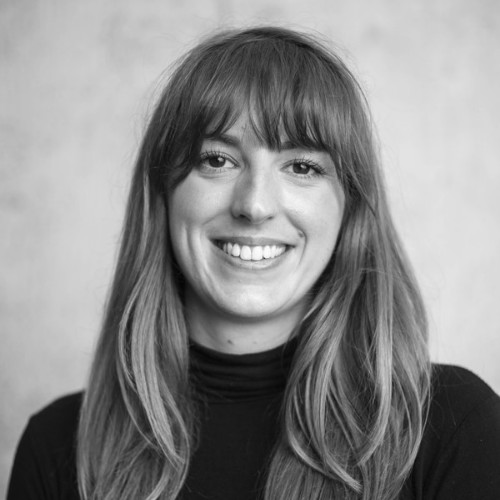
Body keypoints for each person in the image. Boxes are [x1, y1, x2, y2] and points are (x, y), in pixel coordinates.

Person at [7, 26, 500, 500]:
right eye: (217, 160)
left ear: (349, 208)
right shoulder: (56, 446)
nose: (254, 204)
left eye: (302, 166)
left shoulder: (455, 427)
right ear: (164, 193)